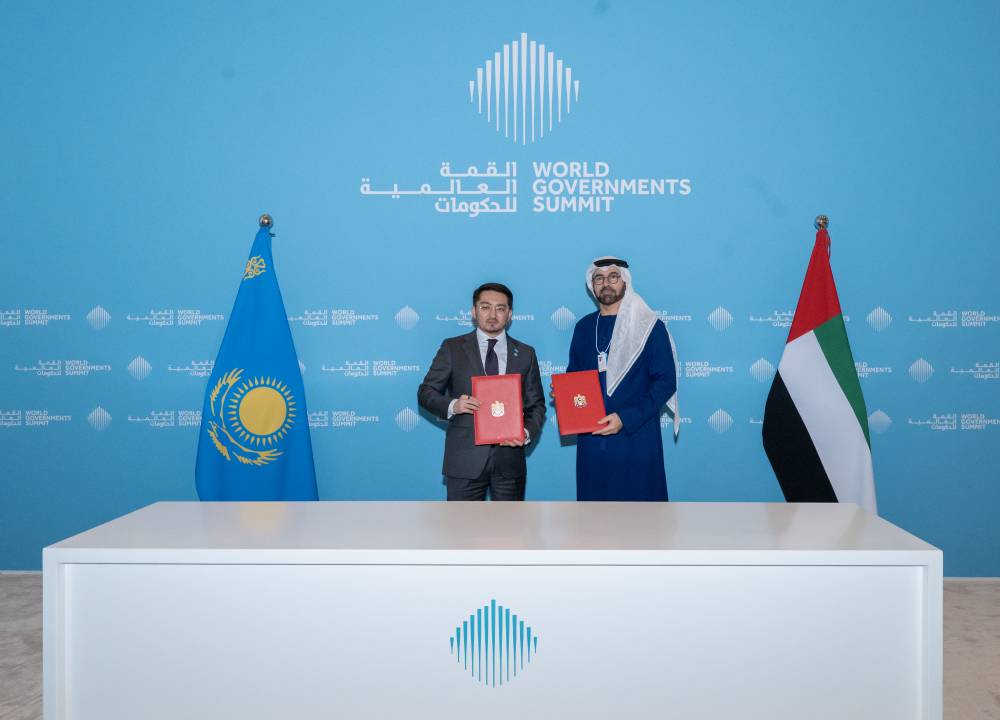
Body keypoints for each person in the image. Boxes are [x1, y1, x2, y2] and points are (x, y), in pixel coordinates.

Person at [561, 257, 679, 501]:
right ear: (591, 285)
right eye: (599, 278)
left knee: (640, 514)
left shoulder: (649, 327)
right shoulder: (584, 327)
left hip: (636, 437)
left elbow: (665, 382)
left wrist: (625, 418)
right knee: (593, 515)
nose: (606, 283)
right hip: (592, 439)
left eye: (613, 276)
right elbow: (574, 375)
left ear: (625, 281)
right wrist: (564, 393)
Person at [418, 283, 546, 500]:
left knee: (510, 523)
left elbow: (536, 406)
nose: (492, 315)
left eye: (500, 308)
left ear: (510, 314)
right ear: (473, 311)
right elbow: (426, 392)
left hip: (509, 463)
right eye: (485, 307)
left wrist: (524, 433)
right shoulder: (452, 348)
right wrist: (454, 405)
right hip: (464, 461)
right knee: (461, 522)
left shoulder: (526, 353)